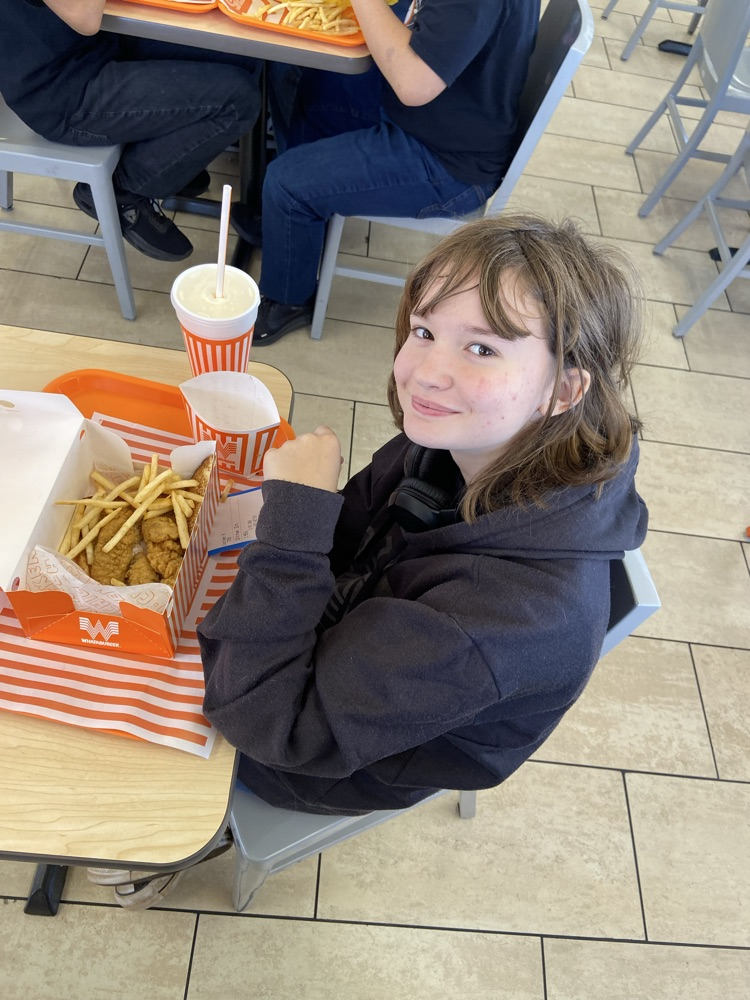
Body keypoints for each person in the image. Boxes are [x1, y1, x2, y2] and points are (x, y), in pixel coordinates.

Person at [90, 213, 648, 908]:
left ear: (565, 389)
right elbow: (352, 526)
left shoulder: (502, 622)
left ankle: (179, 839)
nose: (427, 376)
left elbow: (269, 725)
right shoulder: (459, 445)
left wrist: (293, 521)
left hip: (334, 755)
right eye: (424, 331)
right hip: (352, 647)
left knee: (108, 730)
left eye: (482, 349)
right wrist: (297, 539)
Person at [250, 0, 541, 345]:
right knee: (299, 76)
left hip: (448, 160)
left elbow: (413, 83)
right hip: (441, 114)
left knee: (285, 184)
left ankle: (289, 299)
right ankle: (295, 228)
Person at [0, 0, 262, 262]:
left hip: (98, 46)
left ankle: (177, 166)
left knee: (245, 53)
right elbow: (86, 19)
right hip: (63, 91)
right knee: (238, 102)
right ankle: (126, 187)